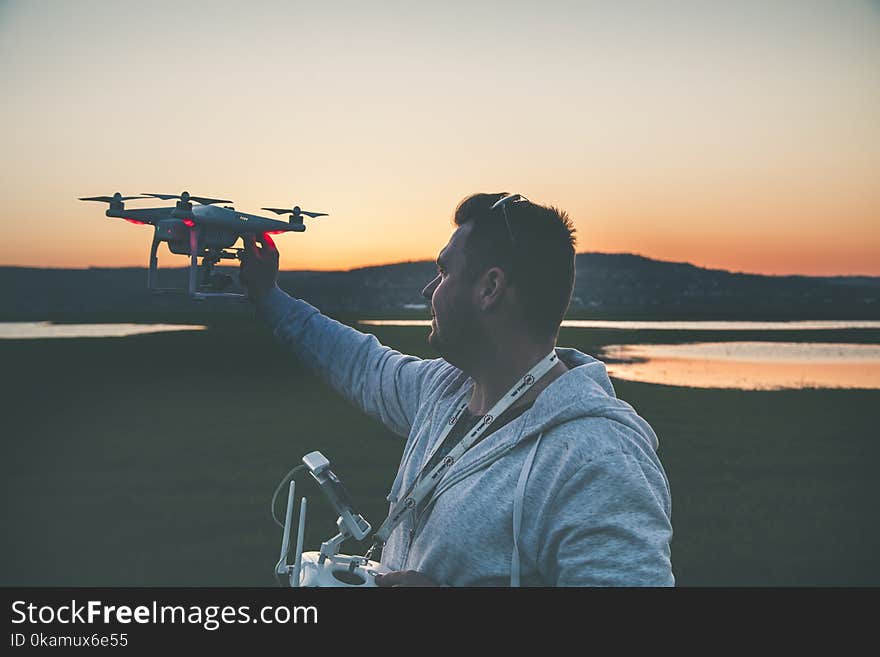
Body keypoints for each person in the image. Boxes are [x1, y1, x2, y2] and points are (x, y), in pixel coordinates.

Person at [240, 192, 674, 586]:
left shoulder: (597, 456)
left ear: (490, 288)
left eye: (444, 271)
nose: (430, 289)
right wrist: (269, 296)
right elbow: (360, 364)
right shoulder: (444, 392)